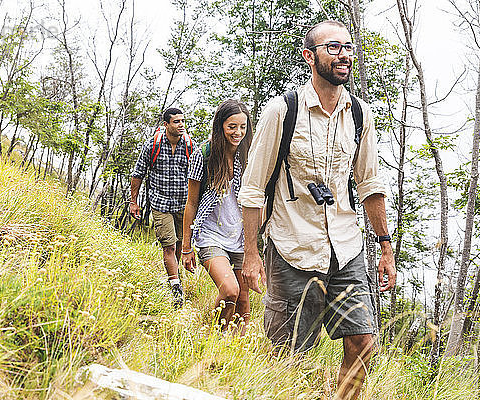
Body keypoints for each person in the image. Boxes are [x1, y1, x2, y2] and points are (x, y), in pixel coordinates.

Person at [238, 20, 397, 399]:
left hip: (346, 246)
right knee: (287, 355)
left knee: (363, 342)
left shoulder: (359, 114)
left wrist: (386, 247)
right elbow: (253, 188)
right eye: (332, 47)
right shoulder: (283, 110)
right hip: (293, 246)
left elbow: (370, 184)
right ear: (310, 56)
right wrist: (250, 254)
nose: (343, 55)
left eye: (347, 47)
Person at [182, 99, 253, 333]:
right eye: (232, 126)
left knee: (243, 303)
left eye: (242, 127)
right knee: (230, 290)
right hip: (210, 234)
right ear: (221, 126)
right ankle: (213, 338)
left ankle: (236, 354)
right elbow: (191, 203)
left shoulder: (249, 154)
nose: (238, 132)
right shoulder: (205, 154)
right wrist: (186, 247)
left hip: (240, 235)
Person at [130, 107, 193, 309]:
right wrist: (134, 201)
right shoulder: (153, 145)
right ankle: (176, 289)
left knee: (181, 246)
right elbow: (138, 173)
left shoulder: (190, 145)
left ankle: (175, 279)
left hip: (183, 205)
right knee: (169, 245)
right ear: (166, 124)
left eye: (183, 121)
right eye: (176, 122)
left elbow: (197, 176)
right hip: (160, 204)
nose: (181, 125)